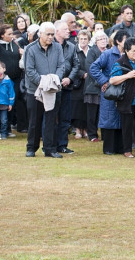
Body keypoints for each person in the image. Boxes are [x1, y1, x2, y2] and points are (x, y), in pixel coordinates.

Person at [102, 36, 135, 157]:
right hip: (126, 101)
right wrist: (128, 76)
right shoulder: (120, 63)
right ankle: (127, 150)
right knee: (127, 126)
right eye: (133, 51)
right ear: (126, 50)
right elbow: (113, 80)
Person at [23, 23, 67, 158]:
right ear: (40, 34)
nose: (50, 37)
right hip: (34, 91)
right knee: (34, 121)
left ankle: (50, 149)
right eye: (48, 34)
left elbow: (61, 66)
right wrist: (43, 83)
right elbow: (29, 70)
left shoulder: (58, 47)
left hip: (53, 90)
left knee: (51, 120)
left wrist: (54, 81)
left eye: (52, 34)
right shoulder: (30, 49)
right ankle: (31, 148)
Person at [53, 20, 77, 155]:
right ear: (57, 31)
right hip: (53, 87)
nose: (69, 31)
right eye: (65, 29)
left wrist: (70, 78)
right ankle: (51, 144)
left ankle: (62, 145)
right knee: (52, 117)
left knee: (65, 118)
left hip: (67, 87)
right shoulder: (50, 45)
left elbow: (76, 65)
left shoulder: (72, 47)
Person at [82, 30, 109, 143]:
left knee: (104, 112)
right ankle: (92, 134)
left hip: (106, 86)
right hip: (93, 87)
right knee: (92, 113)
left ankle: (104, 134)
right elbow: (90, 68)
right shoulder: (92, 52)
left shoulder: (109, 51)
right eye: (100, 39)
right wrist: (102, 82)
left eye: (104, 39)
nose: (103, 41)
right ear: (95, 41)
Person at [70, 30, 93, 140]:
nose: (83, 41)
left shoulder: (92, 51)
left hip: (90, 82)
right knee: (77, 106)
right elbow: (71, 65)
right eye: (81, 39)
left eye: (85, 39)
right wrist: (82, 74)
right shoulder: (74, 50)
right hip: (77, 82)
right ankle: (78, 129)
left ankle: (86, 129)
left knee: (86, 106)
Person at [0, 60, 14, 139]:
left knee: (4, 120)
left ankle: (4, 134)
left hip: (4, 104)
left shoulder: (8, 81)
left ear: (4, 69)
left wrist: (10, 103)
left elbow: (11, 93)